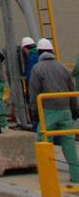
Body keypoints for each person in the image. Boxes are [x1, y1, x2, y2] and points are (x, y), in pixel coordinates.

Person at [29, 38, 79, 185]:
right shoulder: (62, 66)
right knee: (69, 143)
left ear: (39, 52)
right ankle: (76, 176)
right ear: (52, 51)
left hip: (48, 110)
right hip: (65, 110)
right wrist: (75, 110)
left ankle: (48, 175)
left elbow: (34, 92)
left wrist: (35, 112)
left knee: (44, 140)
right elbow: (71, 88)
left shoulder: (37, 68)